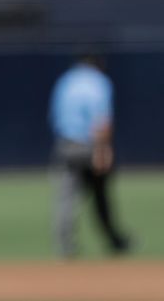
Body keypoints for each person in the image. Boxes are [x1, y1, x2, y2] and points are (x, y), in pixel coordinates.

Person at [48, 51, 131, 258]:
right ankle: (114, 241)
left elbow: (54, 115)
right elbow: (101, 120)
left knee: (66, 197)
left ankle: (65, 246)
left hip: (66, 143)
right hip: (90, 145)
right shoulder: (98, 82)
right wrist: (103, 149)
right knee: (101, 195)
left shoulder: (65, 81)